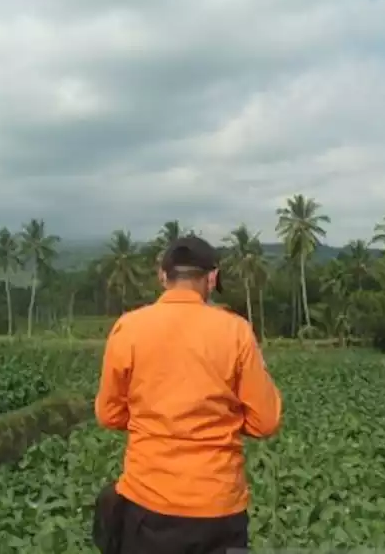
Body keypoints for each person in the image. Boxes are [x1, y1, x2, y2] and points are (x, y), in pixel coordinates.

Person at [93, 234, 282, 554]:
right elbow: (265, 422)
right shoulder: (235, 331)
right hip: (219, 510)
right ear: (212, 277)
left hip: (147, 504)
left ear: (163, 276)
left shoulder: (129, 328)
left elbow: (108, 415)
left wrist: (155, 420)